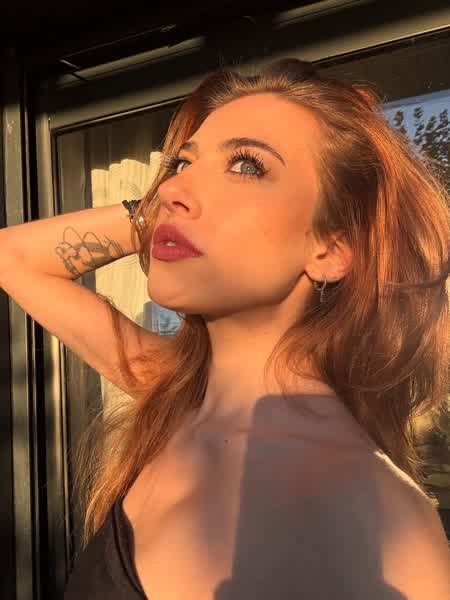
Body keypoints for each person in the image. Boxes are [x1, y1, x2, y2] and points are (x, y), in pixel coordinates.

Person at [1, 58, 449, 599]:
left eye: (247, 166)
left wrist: (182, 209)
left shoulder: (378, 522)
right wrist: (160, 214)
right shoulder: (174, 394)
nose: (172, 188)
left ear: (331, 247)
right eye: (182, 163)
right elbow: (12, 257)